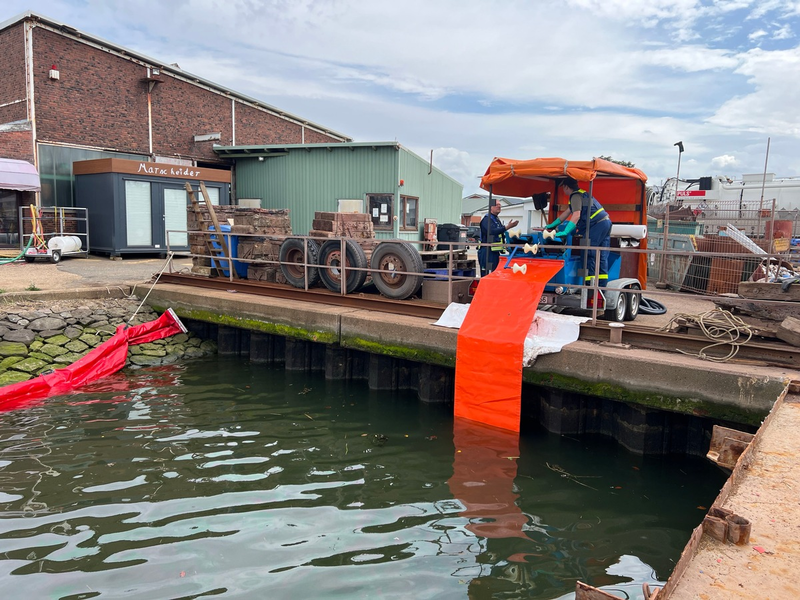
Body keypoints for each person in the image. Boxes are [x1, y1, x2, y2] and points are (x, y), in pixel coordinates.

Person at [544, 177, 613, 287]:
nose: (563, 190)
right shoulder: (581, 194)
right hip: (605, 223)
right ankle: (601, 287)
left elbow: (576, 215)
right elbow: (566, 213)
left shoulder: (575, 196)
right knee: (601, 255)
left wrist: (566, 231)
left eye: (563, 188)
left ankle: (589, 287)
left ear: (566, 187)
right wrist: (552, 225)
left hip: (596, 225)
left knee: (588, 253)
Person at [478, 202, 519, 276]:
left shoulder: (495, 219)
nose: (499, 206)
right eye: (496, 205)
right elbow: (491, 231)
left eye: (500, 205)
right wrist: (507, 227)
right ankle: (486, 287)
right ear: (490, 207)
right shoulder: (487, 219)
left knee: (494, 273)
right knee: (487, 273)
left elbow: (499, 233)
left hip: (494, 251)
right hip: (487, 251)